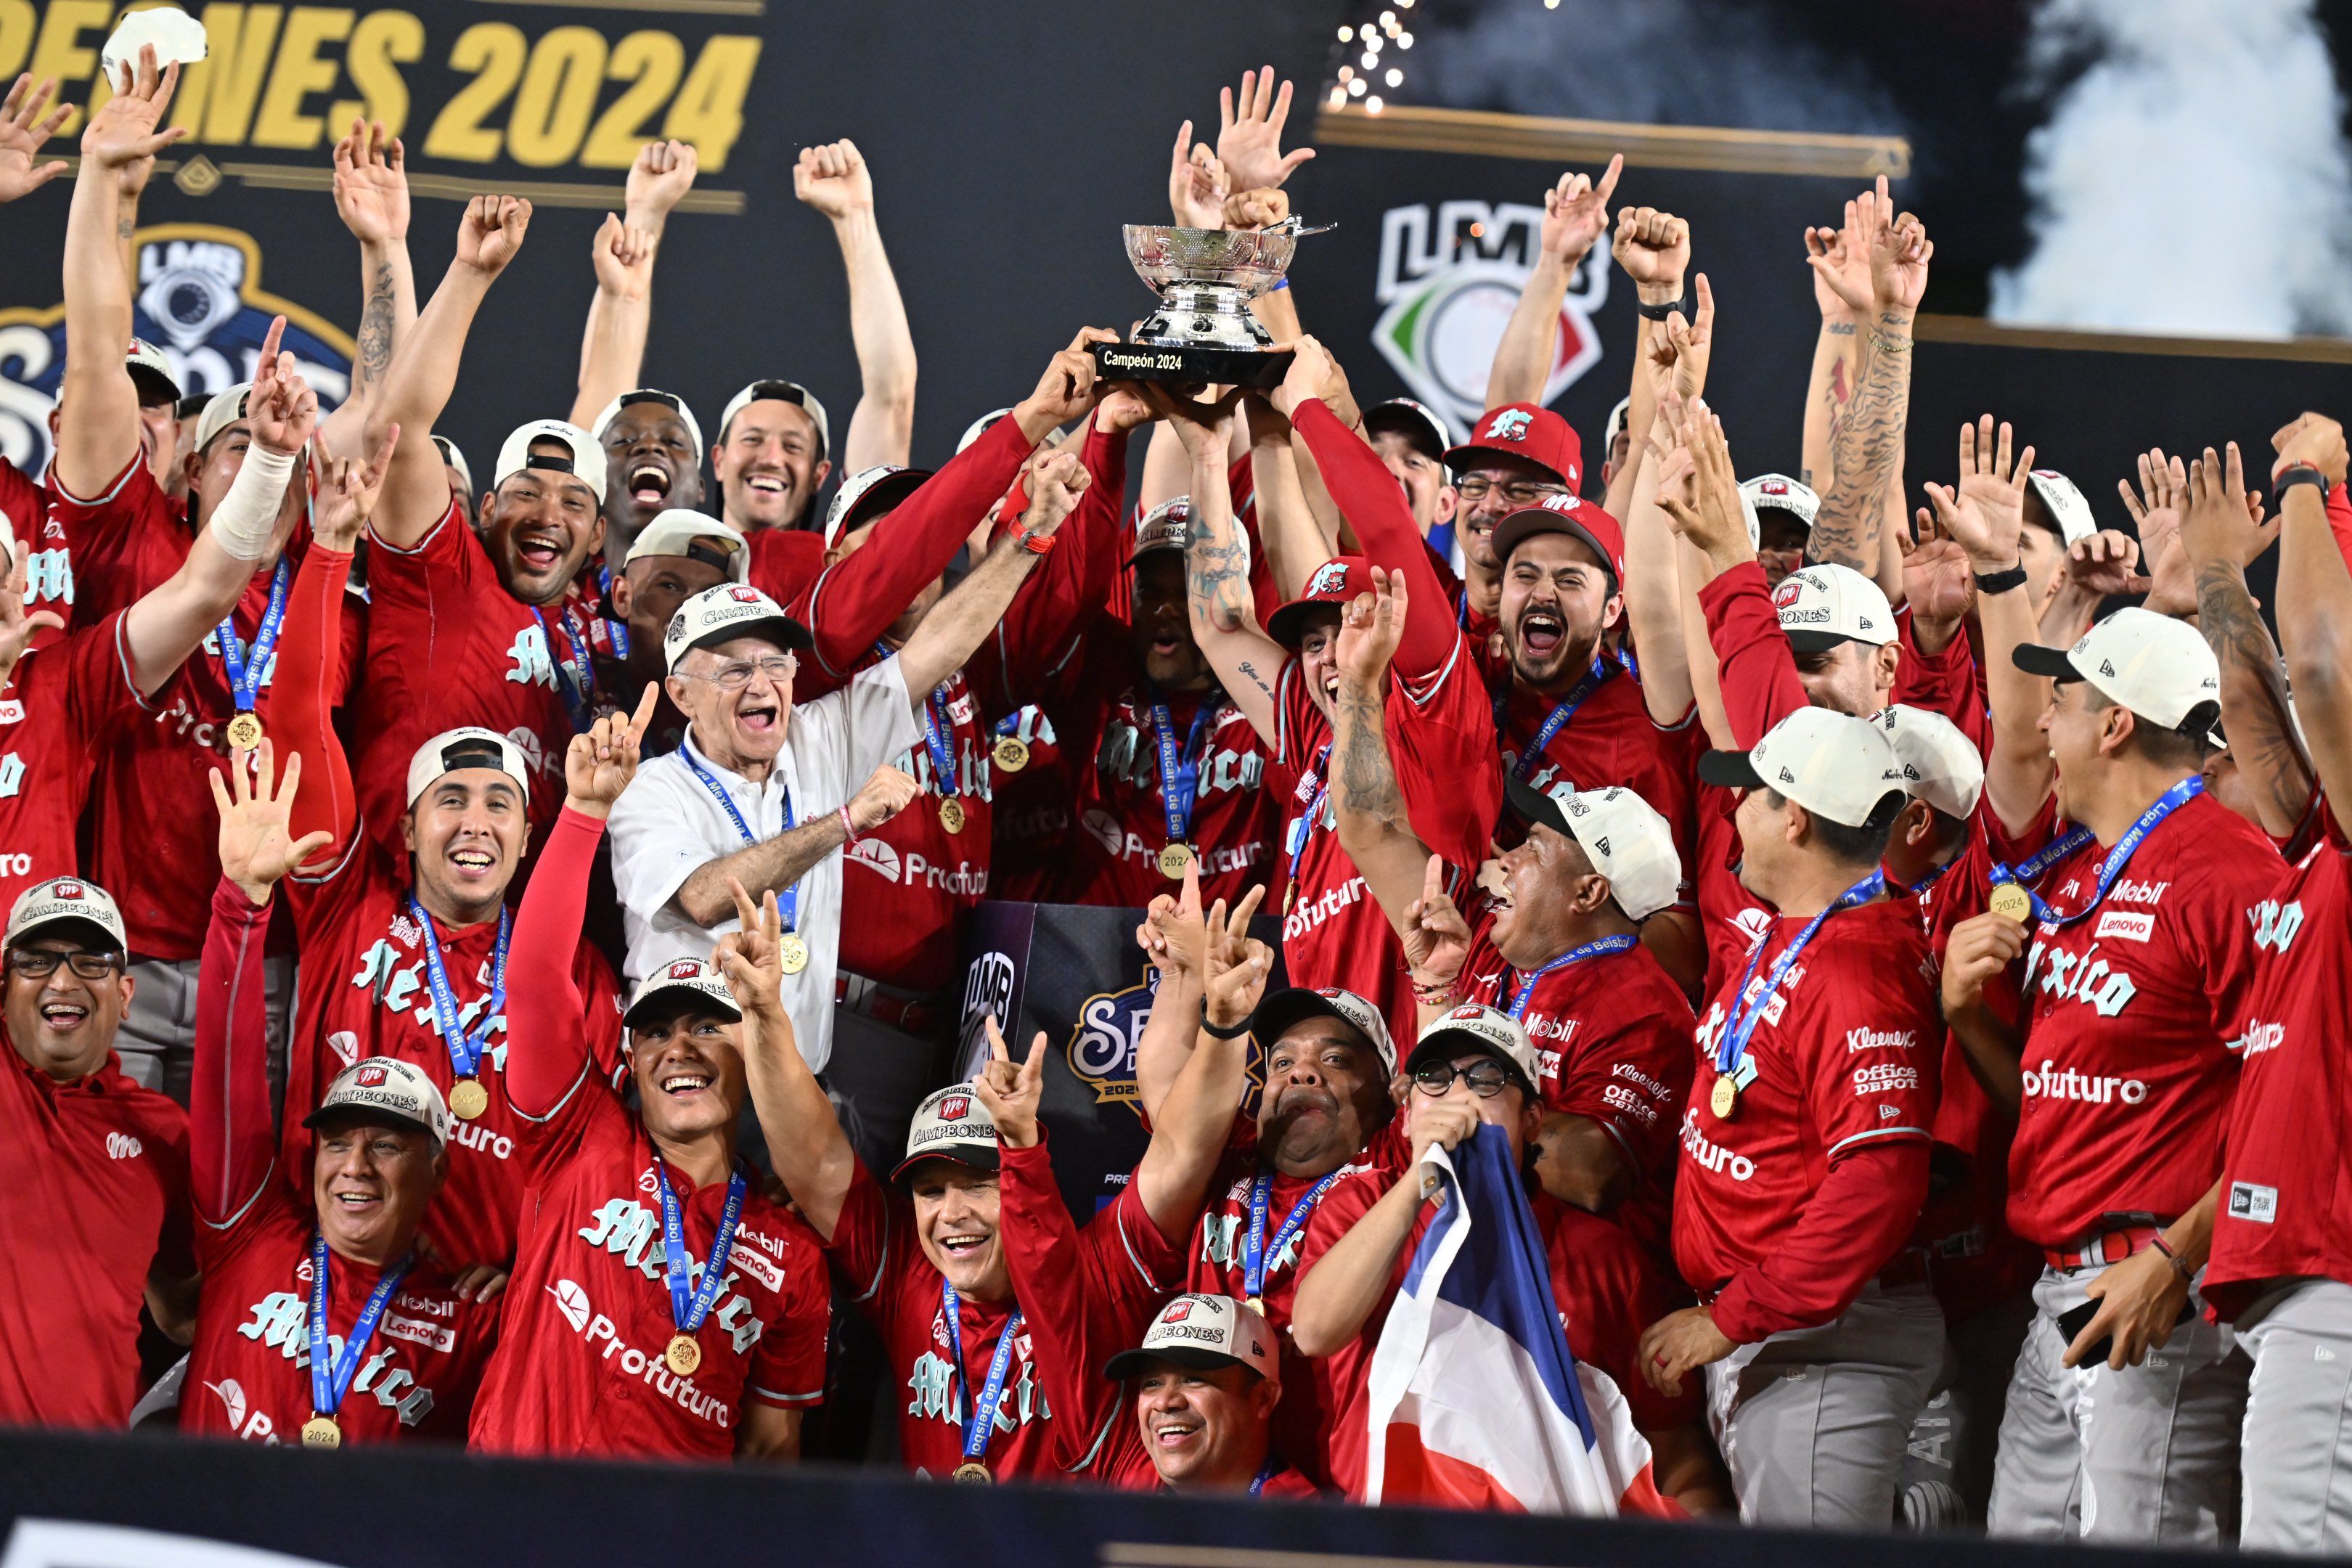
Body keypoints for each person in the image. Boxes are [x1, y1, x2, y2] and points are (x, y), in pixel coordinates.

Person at [1943, 605, 2282, 1546]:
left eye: (2062, 699)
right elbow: (2056, 1106)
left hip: (2157, 1297)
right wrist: (1969, 1020)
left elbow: (2294, 1111)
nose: (2044, 724)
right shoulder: (2081, 879)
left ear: (2116, 721)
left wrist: (2178, 1259)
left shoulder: (2228, 874)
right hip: (2061, 1290)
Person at [607, 444, 1094, 1087]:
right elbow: (701, 897)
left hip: (814, 1076)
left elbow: (940, 646)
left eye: (774, 663)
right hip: (703, 1078)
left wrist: (1034, 532)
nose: (760, 684)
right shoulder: (651, 789)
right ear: (681, 694)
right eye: (731, 669)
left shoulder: (817, 733)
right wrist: (843, 820)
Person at [725, 888, 1229, 1480]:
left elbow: (1182, 1150)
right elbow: (813, 1158)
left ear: (1023, 1177)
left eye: (979, 1183)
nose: (952, 1212)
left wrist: (1196, 993)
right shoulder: (909, 1275)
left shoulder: (1102, 1269)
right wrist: (764, 1018)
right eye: (931, 1190)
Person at [470, 701, 833, 1461]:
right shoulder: (576, 1139)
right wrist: (584, 813)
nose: (679, 1049)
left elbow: (772, 1449)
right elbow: (535, 979)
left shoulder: (791, 1253)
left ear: (748, 1048)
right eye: (656, 1031)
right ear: (629, 1059)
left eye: (706, 1026)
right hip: (507, 1526)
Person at [1323, 568, 1691, 1257]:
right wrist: (1360, 692)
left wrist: (1459, 1100)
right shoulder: (1487, 954)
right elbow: (1371, 829)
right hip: (1466, 1268)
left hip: (1572, 1309)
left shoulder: (1646, 1006)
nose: (1508, 857)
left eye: (1537, 848)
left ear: (1589, 894)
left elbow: (1593, 1170)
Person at [1642, 706, 1943, 1529]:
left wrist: (1729, 1318)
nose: (1733, 811)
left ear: (1795, 818)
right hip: (1783, 1336)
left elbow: (1880, 1183)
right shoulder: (1797, 933)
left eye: (1750, 795)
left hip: (1826, 1344)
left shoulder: (1858, 974)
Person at [1175, 341, 1500, 1042]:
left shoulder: (1434, 715)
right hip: (1318, 1055)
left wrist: (1309, 412)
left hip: (1422, 1054)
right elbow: (1218, 624)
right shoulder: (1314, 727)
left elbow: (1387, 528)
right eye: (1313, 642)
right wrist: (1207, 455)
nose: (1328, 658)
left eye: (1345, 632)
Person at [1289, 1005, 1726, 1511]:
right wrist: (1419, 1181)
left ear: (1532, 1121)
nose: (1459, 1097)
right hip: (1396, 1534)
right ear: (1407, 1117)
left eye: (1487, 1078)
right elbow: (1317, 1330)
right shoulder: (1360, 1207)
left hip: (1542, 1542)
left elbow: (1677, 1455)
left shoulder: (1603, 1256)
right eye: (1433, 1079)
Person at [186, 743, 499, 1445]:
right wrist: (243, 903)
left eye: (387, 1144)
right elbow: (224, 1072)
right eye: (338, 1140)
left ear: (437, 1170)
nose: (353, 1165)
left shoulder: (469, 1324)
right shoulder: (251, 1236)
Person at [2200, 420, 2352, 1553]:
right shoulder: (2328, 849)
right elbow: (2273, 731)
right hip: (2312, 1281)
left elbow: (2326, 669)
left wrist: (2310, 484)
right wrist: (2214, 581)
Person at [1481, 494, 1705, 989]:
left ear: (1612, 610)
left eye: (1569, 580)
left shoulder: (1639, 738)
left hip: (1557, 1014)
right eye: (1525, 575)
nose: (1543, 594)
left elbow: (1680, 940)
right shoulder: (1469, 679)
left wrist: (1550, 965)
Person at [0, 875, 192, 1429]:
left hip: (82, 1476)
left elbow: (180, 1315)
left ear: (125, 995)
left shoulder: (164, 1135)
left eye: (93, 961)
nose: (63, 979)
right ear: (6, 987)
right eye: (36, 960)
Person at [1061, 500, 1283, 910]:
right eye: (1150, 591)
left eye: (1187, 593)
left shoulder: (1271, 695)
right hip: (1095, 953)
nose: (1164, 610)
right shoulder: (1098, 671)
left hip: (1233, 958)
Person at [1094, 1294, 1319, 1495]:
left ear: (1263, 1399)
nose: (1164, 1402)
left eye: (1193, 1379)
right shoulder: (1132, 1496)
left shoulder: (1300, 1531)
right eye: (1152, 1384)